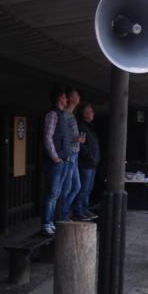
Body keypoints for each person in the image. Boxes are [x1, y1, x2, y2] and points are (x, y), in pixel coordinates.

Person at [41, 86, 70, 236]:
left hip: (63, 159)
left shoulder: (62, 115)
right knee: (52, 193)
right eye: (65, 97)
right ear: (59, 98)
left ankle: (50, 222)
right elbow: (47, 137)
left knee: (56, 193)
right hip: (56, 161)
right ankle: (46, 223)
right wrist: (55, 157)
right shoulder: (53, 114)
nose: (67, 100)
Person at [59, 88, 86, 221]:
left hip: (75, 154)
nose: (79, 97)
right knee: (68, 187)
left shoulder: (71, 115)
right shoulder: (64, 115)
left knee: (76, 186)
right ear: (70, 98)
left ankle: (63, 213)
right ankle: (62, 216)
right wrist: (76, 139)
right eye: (77, 95)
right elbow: (61, 136)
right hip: (69, 155)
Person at [74, 103, 100, 221]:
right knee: (83, 188)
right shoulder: (81, 126)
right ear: (85, 114)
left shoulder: (89, 126)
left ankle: (84, 209)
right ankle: (78, 210)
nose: (93, 113)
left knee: (88, 189)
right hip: (86, 163)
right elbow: (81, 145)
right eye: (91, 111)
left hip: (92, 163)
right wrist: (89, 156)